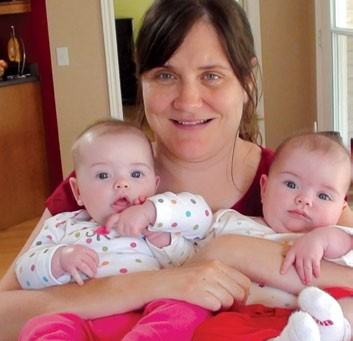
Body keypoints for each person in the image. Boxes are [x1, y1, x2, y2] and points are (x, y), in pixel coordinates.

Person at [1, 0, 353, 339]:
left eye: (212, 75)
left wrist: (228, 251)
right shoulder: (100, 183)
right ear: (142, 82)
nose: (188, 101)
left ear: (246, 81)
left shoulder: (298, 182)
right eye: (165, 75)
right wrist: (155, 284)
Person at [18, 119, 213, 340]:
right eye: (103, 175)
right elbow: (24, 272)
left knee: (186, 311)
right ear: (77, 190)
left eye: (136, 174)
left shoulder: (157, 221)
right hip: (82, 318)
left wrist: (156, 223)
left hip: (148, 315)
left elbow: (201, 220)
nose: (122, 183)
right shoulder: (63, 225)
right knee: (41, 325)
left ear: (155, 184)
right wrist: (59, 258)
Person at [193, 132, 353, 340]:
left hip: (313, 315)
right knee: (210, 330)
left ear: (341, 209)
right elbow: (192, 258)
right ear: (264, 188)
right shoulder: (231, 223)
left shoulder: (331, 238)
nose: (304, 199)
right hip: (246, 316)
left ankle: (332, 330)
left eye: (323, 196)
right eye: (291, 184)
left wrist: (322, 239)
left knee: (346, 301)